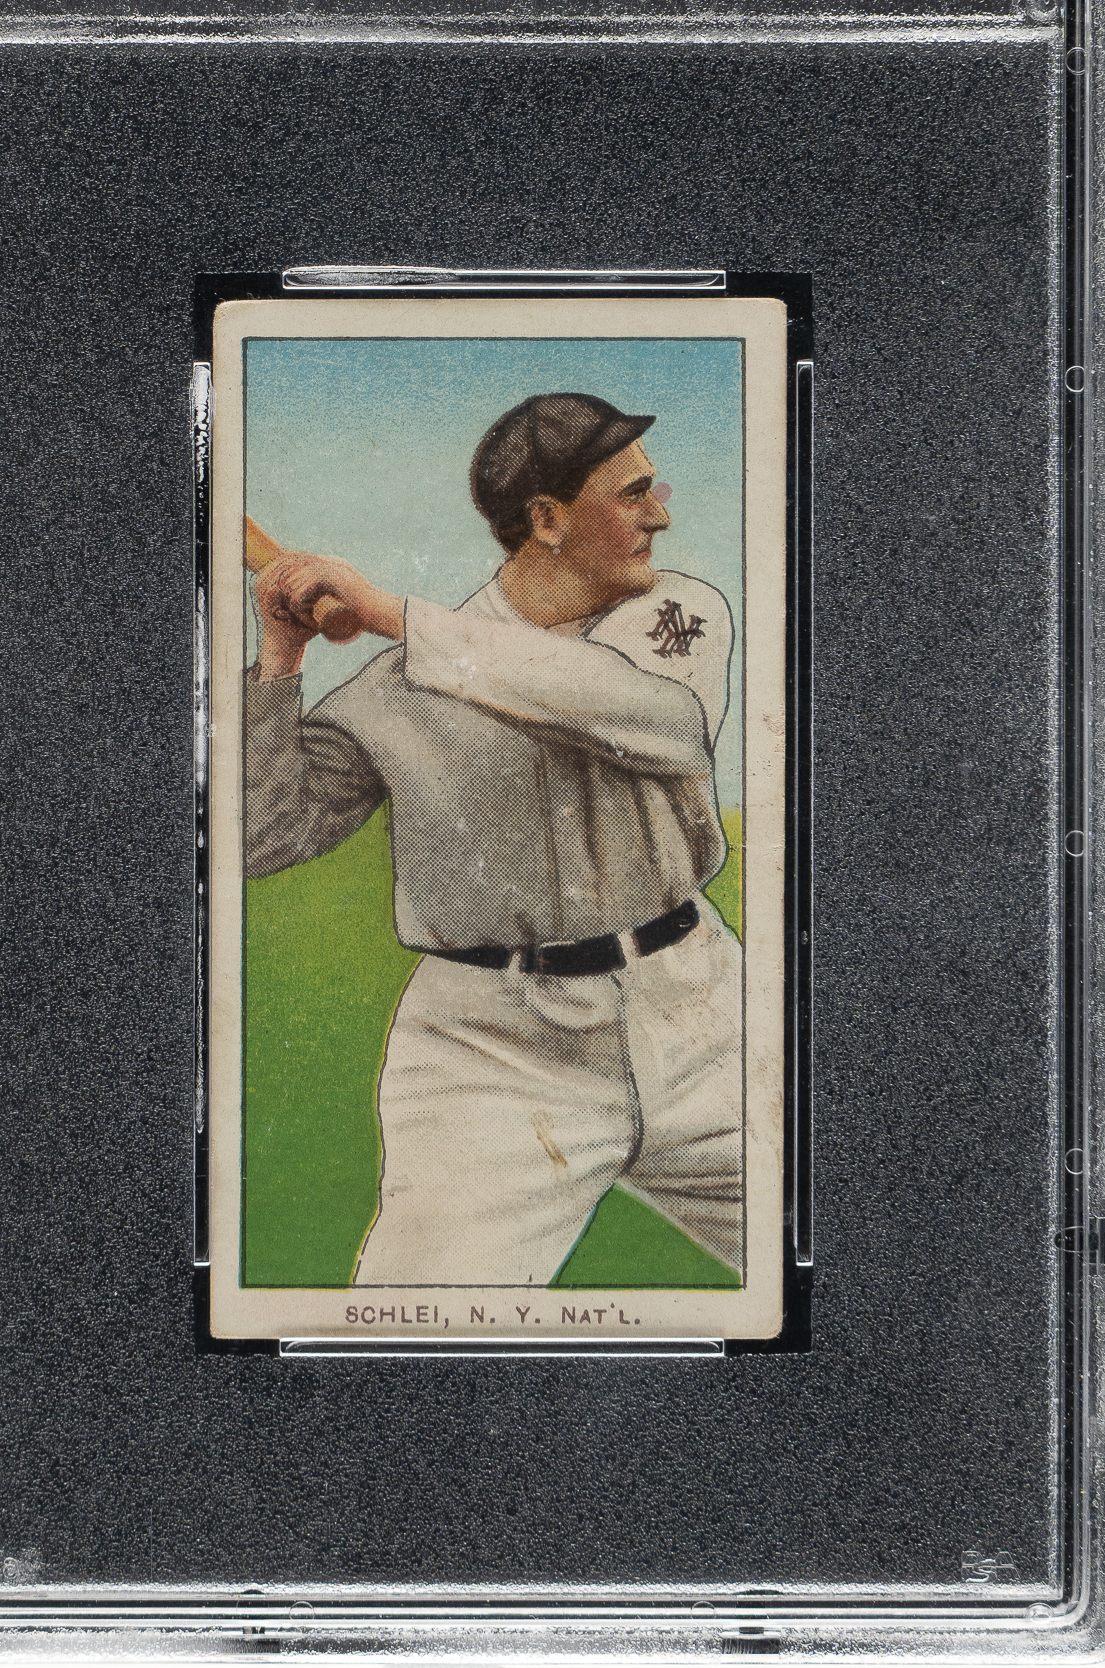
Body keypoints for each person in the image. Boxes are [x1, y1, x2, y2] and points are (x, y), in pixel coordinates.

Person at [245, 392, 742, 1289]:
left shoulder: (678, 613)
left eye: (651, 489)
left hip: (703, 1014)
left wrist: (394, 614)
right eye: (632, 494)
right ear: (547, 520)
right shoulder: (395, 687)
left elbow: (660, 722)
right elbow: (262, 839)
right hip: (494, 1055)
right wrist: (279, 664)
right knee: (415, 1325)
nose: (659, 516)